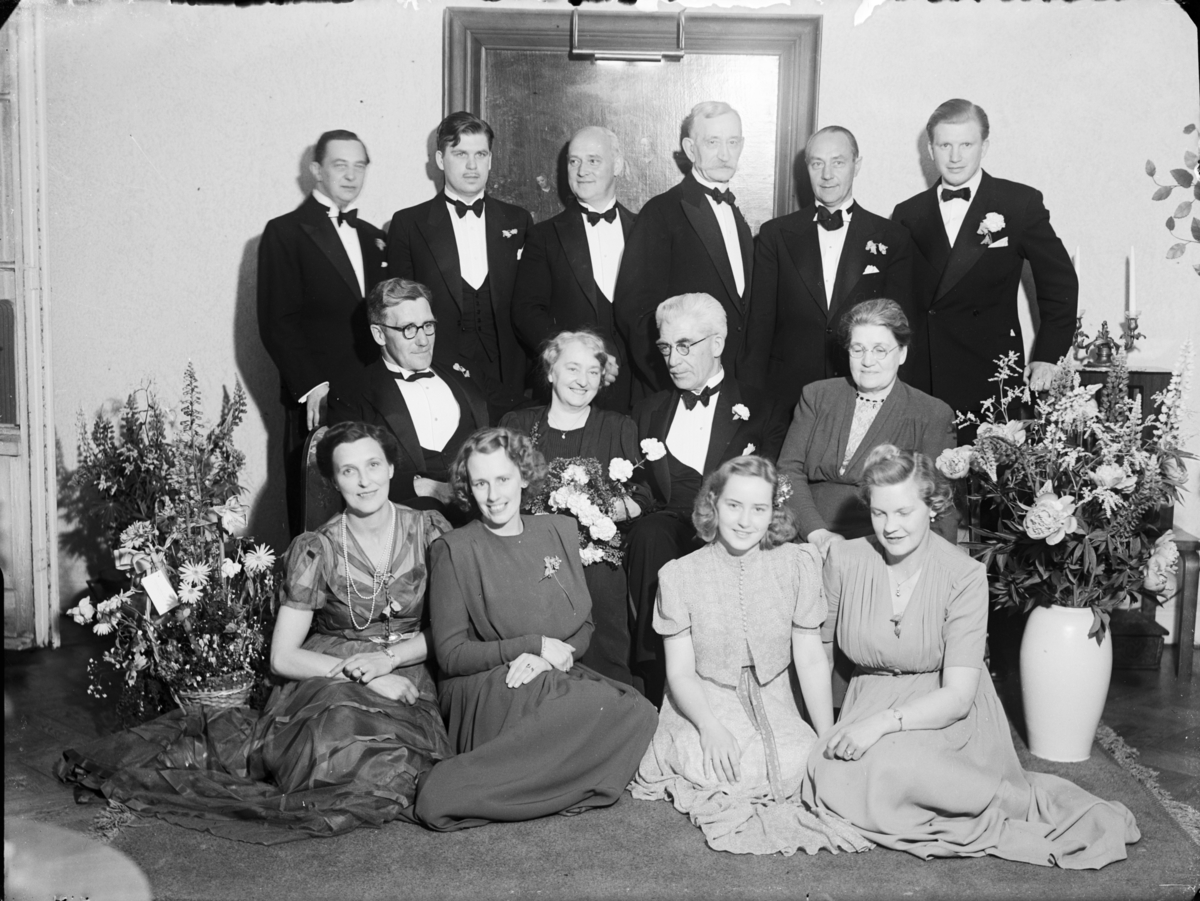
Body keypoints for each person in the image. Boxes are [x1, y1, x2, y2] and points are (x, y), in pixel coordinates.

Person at [55, 422, 454, 842]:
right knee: (338, 731)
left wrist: (387, 661)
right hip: (334, 674)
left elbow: (450, 628)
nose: (364, 481)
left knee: (392, 759)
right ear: (334, 481)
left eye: (373, 465)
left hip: (408, 660)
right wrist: (365, 675)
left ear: (390, 467)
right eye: (348, 471)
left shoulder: (430, 531)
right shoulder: (317, 548)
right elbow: (283, 657)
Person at [803, 445, 1140, 868]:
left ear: (932, 506)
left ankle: (972, 790)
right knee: (827, 768)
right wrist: (824, 734)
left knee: (888, 766)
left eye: (904, 512)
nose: (890, 527)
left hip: (943, 709)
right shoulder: (844, 559)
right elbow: (818, 653)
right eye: (879, 513)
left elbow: (959, 696)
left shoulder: (964, 574)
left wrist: (880, 725)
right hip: (869, 697)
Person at [414, 428, 659, 831]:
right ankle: (468, 789)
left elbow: (585, 624)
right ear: (467, 488)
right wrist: (534, 646)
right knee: (584, 709)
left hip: (550, 674)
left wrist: (548, 659)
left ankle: (534, 789)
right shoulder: (453, 549)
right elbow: (452, 655)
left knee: (639, 712)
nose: (493, 495)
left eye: (503, 479)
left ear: (524, 477)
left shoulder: (558, 530)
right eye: (480, 483)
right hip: (491, 683)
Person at [630, 457, 871, 857]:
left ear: (773, 512)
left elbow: (811, 659)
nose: (745, 521)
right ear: (713, 505)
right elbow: (680, 673)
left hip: (775, 695)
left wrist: (825, 735)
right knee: (720, 767)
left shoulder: (797, 563)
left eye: (759, 509)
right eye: (734, 506)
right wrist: (709, 727)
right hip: (704, 698)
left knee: (797, 761)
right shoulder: (679, 575)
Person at [627, 293, 791, 706]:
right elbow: (641, 486)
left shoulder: (763, 407)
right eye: (666, 347)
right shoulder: (648, 411)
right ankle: (656, 684)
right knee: (649, 533)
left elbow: (770, 484)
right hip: (669, 525)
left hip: (730, 526)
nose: (672, 359)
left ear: (717, 343)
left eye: (685, 346)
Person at [891, 99, 1078, 429]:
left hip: (992, 375)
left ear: (984, 147)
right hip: (923, 377)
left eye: (966, 144)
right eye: (945, 145)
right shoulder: (908, 213)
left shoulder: (1018, 203)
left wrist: (1048, 356)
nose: (955, 156)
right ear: (930, 150)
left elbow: (1060, 283)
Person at [500, 330, 650, 684]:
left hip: (595, 559)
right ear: (551, 371)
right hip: (527, 553)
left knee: (600, 578)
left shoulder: (618, 427)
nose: (583, 381)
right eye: (573, 369)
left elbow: (642, 497)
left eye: (593, 372)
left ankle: (612, 694)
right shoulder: (518, 425)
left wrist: (600, 511)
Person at [257, 130, 388, 534]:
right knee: (317, 514)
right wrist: (312, 385)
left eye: (359, 166)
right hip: (320, 398)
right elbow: (277, 322)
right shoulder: (284, 232)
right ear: (316, 170)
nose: (351, 175)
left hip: (374, 394)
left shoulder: (374, 237)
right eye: (339, 165)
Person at [777, 298, 957, 559]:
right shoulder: (816, 396)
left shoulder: (932, 413)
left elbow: (940, 503)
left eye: (880, 350)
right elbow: (787, 471)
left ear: (902, 353)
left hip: (883, 550)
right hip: (805, 538)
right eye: (858, 349)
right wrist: (817, 533)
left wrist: (938, 567)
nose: (867, 361)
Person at [746, 127, 913, 406]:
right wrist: (750, 399)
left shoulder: (893, 237)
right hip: (788, 394)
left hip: (862, 390)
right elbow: (759, 326)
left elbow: (901, 330)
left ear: (856, 165)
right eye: (817, 164)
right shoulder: (775, 235)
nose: (827, 174)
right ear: (807, 169)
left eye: (838, 162)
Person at [387, 112, 534, 421]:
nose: (472, 166)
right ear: (440, 160)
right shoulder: (408, 224)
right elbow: (400, 312)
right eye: (460, 154)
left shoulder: (518, 220)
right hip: (440, 369)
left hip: (508, 372)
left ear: (490, 159)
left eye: (480, 154)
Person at [615, 102, 754, 399]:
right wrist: (674, 385)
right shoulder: (661, 211)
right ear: (691, 149)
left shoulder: (738, 216)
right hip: (679, 392)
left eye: (732, 142)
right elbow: (635, 314)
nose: (725, 154)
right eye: (713, 142)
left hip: (731, 391)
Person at [328, 278, 488, 524]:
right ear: (379, 334)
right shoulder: (353, 393)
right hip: (410, 523)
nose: (423, 340)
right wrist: (426, 487)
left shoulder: (463, 374)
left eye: (428, 326)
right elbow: (350, 473)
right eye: (408, 329)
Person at [512, 127, 638, 411]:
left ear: (618, 165)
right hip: (570, 393)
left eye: (593, 160)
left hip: (638, 392)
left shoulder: (644, 230)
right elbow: (526, 312)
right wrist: (576, 357)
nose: (582, 171)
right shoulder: (543, 236)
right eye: (574, 161)